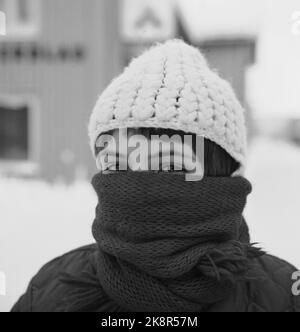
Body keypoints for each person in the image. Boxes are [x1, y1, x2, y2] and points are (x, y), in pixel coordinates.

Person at [11, 39, 300, 312]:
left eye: (170, 165)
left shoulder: (285, 297)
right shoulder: (51, 291)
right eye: (116, 164)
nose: (134, 184)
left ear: (227, 173)